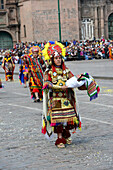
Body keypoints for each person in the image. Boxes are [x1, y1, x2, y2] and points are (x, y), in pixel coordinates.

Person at [42, 41, 81, 148]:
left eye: (59, 58)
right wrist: (58, 87)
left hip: (66, 98)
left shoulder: (66, 71)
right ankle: (60, 138)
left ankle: (66, 134)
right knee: (58, 120)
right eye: (56, 58)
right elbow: (46, 83)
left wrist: (81, 80)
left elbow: (73, 80)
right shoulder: (48, 72)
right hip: (55, 99)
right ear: (52, 60)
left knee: (68, 118)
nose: (58, 60)